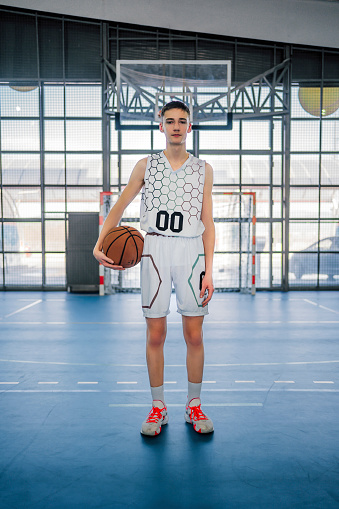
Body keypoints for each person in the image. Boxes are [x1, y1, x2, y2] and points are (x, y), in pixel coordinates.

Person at [93, 101, 215, 435]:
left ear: (189, 127)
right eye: (170, 121)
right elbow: (119, 207)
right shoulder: (146, 166)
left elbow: (208, 221)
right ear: (160, 126)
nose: (176, 126)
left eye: (182, 121)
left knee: (194, 334)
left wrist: (210, 268)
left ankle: (194, 405)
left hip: (191, 252)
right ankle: (158, 407)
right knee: (156, 334)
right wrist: (99, 242)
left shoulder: (203, 168)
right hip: (155, 247)